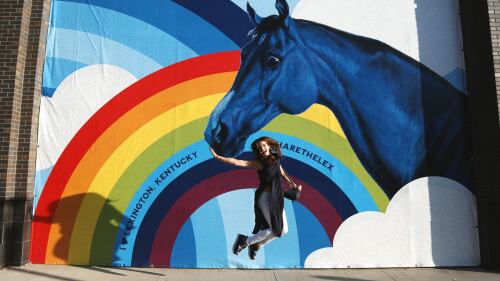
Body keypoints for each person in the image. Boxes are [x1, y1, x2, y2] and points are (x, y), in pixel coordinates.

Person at [209, 136, 302, 260]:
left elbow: (282, 173)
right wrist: (218, 157)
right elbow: (240, 162)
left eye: (263, 145)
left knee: (283, 230)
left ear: (269, 146)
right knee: (276, 229)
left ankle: (256, 244)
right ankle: (245, 242)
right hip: (265, 198)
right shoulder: (259, 163)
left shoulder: (276, 159)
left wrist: (293, 184)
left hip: (277, 198)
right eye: (259, 148)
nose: (262, 149)